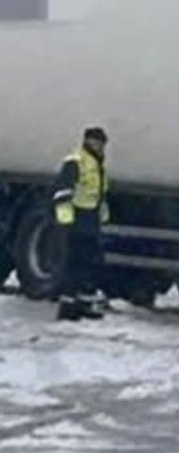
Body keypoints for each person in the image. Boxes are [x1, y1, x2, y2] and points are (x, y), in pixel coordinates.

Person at [52, 127, 110, 321]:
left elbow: (99, 194)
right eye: (95, 141)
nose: (99, 145)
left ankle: (84, 304)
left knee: (89, 262)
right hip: (77, 219)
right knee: (75, 263)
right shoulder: (76, 162)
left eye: (101, 142)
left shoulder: (97, 163)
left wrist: (102, 215)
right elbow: (62, 192)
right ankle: (68, 308)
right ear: (87, 141)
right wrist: (66, 219)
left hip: (90, 219)